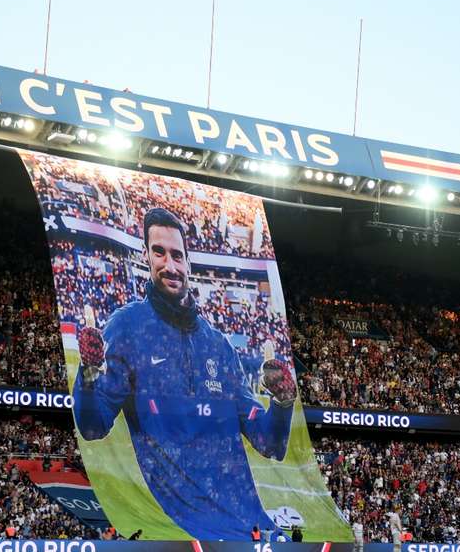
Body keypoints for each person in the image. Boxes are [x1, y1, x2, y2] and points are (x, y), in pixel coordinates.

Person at [74, 208, 297, 540]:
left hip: (245, 527)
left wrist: (282, 404)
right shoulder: (129, 326)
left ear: (188, 263)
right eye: (159, 252)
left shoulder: (218, 346)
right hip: (176, 530)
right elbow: (94, 426)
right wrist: (88, 375)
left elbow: (269, 444)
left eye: (177, 255)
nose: (170, 265)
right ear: (146, 257)